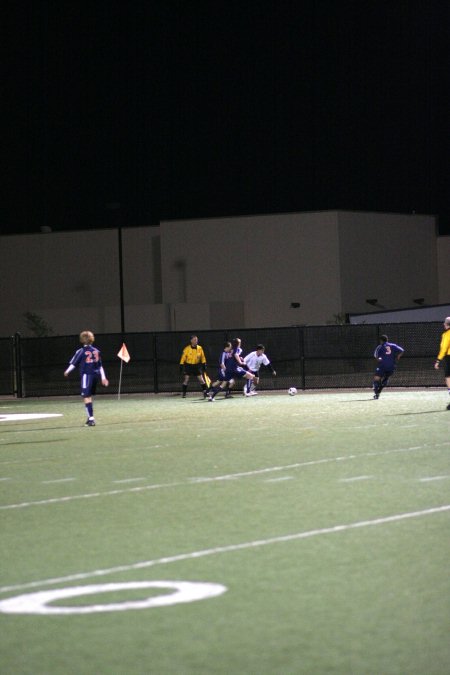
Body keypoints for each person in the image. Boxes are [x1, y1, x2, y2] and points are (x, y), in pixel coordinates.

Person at [64, 330, 109, 426]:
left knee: (86, 397)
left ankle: (91, 419)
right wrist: (103, 378)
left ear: (82, 340)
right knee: (89, 397)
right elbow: (100, 366)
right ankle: (90, 417)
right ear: (92, 339)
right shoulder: (96, 351)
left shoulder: (81, 351)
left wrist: (67, 371)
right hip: (95, 376)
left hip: (87, 376)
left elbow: (73, 364)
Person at [372, 334, 404, 399]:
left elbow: (376, 356)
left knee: (376, 379)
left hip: (382, 366)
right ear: (387, 340)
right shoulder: (393, 345)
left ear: (381, 341)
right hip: (391, 366)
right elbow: (402, 350)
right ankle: (381, 387)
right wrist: (398, 356)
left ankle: (376, 393)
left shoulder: (380, 347)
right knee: (386, 378)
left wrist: (379, 359)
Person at [434, 316, 450, 410]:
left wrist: (438, 361)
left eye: (445, 323)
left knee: (448, 377)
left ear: (447, 324)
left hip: (449, 357)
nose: (443, 324)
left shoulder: (446, 334)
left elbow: (443, 348)